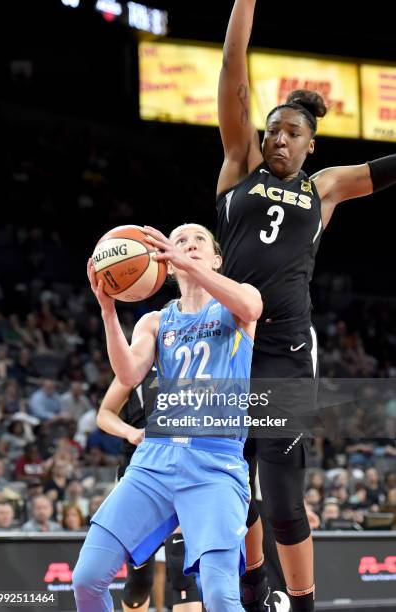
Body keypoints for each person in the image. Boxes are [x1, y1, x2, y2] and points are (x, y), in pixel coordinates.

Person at [216, 2, 396, 611]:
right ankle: (251, 583)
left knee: (284, 497)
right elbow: (233, 70)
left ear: (311, 144)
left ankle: (304, 600)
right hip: (226, 348)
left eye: (292, 133)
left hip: (284, 353)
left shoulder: (322, 190)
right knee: (231, 488)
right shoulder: (239, 164)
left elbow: (386, 169)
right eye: (273, 129)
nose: (279, 138)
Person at [73, 223, 263, 612]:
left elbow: (252, 308)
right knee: (87, 579)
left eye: (199, 241)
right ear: (167, 264)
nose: (189, 245)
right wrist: (109, 311)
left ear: (216, 259)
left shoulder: (236, 302)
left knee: (222, 597)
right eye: (179, 241)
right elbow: (128, 375)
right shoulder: (155, 322)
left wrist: (194, 269)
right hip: (155, 459)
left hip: (215, 462)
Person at [97, 369, 201, 611]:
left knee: (182, 570)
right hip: (138, 473)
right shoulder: (135, 368)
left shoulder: (196, 364)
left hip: (183, 472)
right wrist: (129, 432)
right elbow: (104, 414)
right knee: (139, 581)